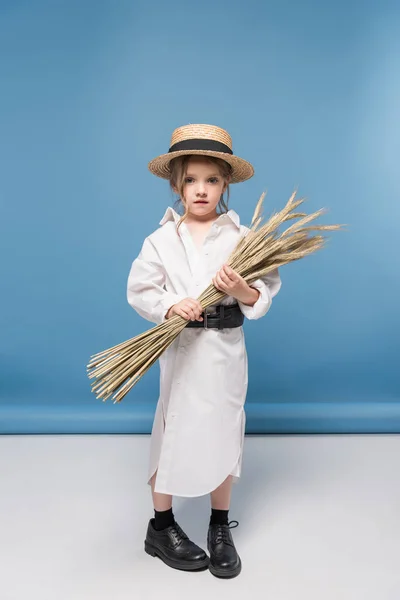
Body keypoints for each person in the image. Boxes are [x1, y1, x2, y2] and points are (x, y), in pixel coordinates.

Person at [127, 124, 281, 578]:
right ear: (177, 184)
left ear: (225, 184)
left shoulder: (243, 237)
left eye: (211, 180)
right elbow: (140, 291)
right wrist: (172, 304)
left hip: (224, 351)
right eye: (191, 179)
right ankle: (161, 525)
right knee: (170, 428)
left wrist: (243, 291)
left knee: (223, 430)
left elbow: (265, 290)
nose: (201, 189)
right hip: (180, 350)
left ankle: (219, 526)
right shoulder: (160, 240)